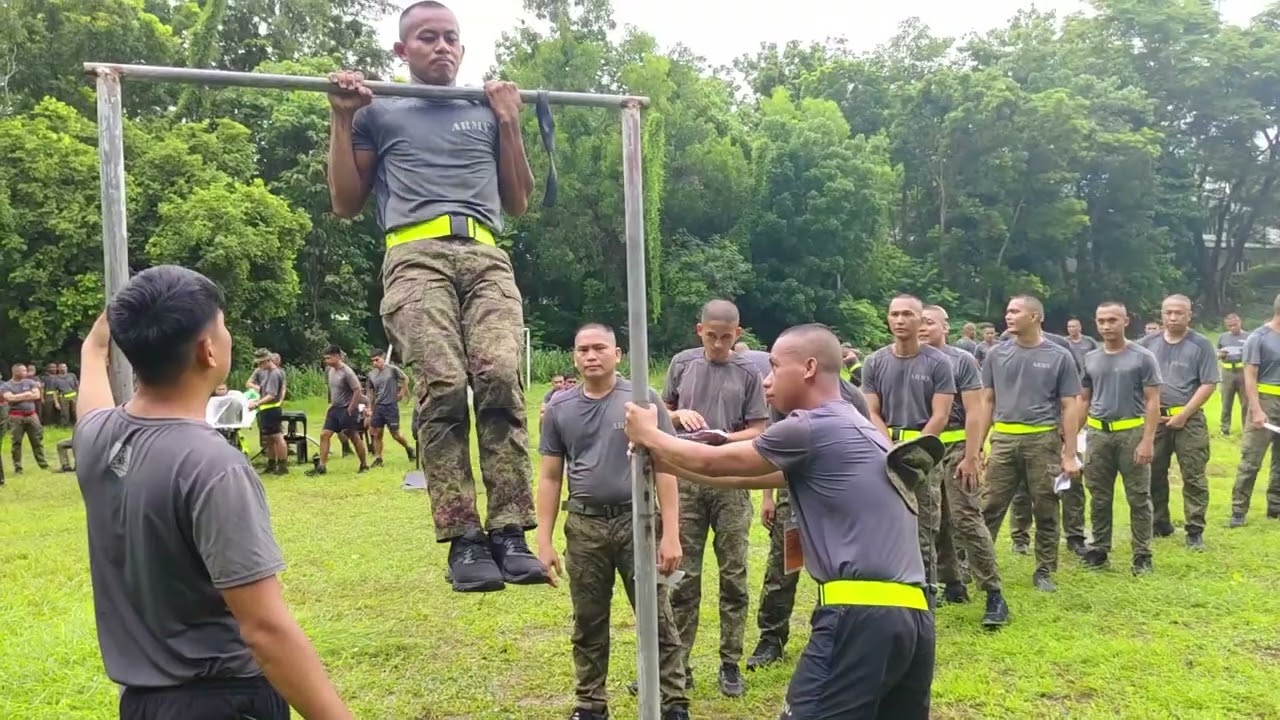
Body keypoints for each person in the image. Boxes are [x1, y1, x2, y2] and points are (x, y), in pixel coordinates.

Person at [327, 0, 546, 592]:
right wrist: (341, 119)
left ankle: (509, 530)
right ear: (402, 51)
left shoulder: (486, 106)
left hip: (485, 252)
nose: (442, 47)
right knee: (444, 384)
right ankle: (464, 539)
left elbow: (519, 202)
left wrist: (509, 121)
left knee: (500, 374)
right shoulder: (379, 108)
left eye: (451, 37)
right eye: (427, 38)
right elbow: (346, 203)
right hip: (414, 254)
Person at [72, 265, 352, 720]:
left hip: (142, 705)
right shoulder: (212, 465)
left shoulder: (97, 438)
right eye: (222, 326)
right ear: (207, 351)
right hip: (224, 701)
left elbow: (93, 380)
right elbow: (264, 630)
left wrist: (97, 342)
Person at [626, 323, 938, 720]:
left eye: (774, 367)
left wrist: (649, 434)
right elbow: (740, 476)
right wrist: (664, 459)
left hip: (859, 616)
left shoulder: (811, 426)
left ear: (808, 368)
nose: (766, 381)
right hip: (913, 616)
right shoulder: (856, 426)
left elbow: (714, 460)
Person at [535, 324, 689, 720]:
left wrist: (671, 534)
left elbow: (667, 470)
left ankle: (673, 701)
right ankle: (590, 703)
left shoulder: (641, 399)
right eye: (583, 349)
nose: (591, 356)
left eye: (599, 348)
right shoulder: (559, 409)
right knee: (588, 619)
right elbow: (551, 477)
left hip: (636, 522)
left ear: (618, 354)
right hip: (585, 526)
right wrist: (544, 540)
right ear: (574, 356)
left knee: (656, 617)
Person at [662, 299, 769, 697]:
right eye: (712, 336)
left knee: (734, 576)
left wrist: (724, 437)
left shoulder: (748, 372)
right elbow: (662, 411)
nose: (719, 344)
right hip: (687, 480)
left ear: (738, 334)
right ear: (699, 331)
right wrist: (677, 416)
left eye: (727, 337)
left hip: (731, 480)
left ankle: (730, 663)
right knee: (680, 577)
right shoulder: (682, 363)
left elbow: (759, 428)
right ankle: (678, 665)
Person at [748, 364, 871, 670]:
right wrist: (768, 498)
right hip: (792, 492)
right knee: (783, 567)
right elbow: (770, 453)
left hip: (834, 498)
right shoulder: (785, 396)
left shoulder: (852, 396)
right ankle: (771, 638)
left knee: (835, 568)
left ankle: (828, 634)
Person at [978, 296, 1083, 593]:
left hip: (1042, 439)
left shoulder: (1059, 355)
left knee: (1046, 506)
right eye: (1007, 310)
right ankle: (978, 565)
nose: (1007, 316)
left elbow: (1070, 406)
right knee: (990, 505)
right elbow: (987, 402)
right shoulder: (996, 354)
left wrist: (1070, 453)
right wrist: (977, 447)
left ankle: (1045, 570)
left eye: (1015, 311)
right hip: (1003, 440)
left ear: (1035, 316)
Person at [919, 305, 1008, 627]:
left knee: (966, 517)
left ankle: (993, 592)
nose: (922, 328)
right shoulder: (911, 360)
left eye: (929, 323)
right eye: (920, 322)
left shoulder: (962, 360)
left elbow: (975, 410)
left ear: (945, 326)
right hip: (923, 449)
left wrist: (972, 455)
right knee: (933, 521)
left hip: (957, 447)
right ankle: (951, 583)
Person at [861, 295, 956, 595]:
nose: (900, 320)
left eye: (907, 314)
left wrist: (915, 452)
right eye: (894, 314)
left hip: (923, 454)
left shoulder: (939, 362)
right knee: (883, 523)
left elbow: (940, 415)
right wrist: (889, 449)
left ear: (920, 320)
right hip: (884, 451)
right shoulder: (875, 362)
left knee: (925, 525)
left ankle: (926, 589)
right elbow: (871, 411)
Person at [1079, 302, 1162, 574]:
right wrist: (1070, 438)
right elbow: (1084, 399)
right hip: (1098, 434)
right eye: (1101, 320)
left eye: (1112, 320)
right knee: (1099, 495)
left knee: (1138, 497)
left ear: (1126, 321)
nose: (1106, 326)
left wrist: (1148, 440)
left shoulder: (1142, 357)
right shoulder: (1091, 358)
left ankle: (1142, 554)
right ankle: (1099, 548)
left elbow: (1152, 401)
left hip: (1131, 433)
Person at [1137, 295, 1219, 546]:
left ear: (1189, 315)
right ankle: (1159, 522)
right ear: (1161, 314)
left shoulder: (1201, 344)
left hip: (1189, 417)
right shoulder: (1146, 344)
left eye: (1179, 313)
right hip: (1155, 417)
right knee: (1153, 472)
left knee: (1193, 474)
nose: (1173, 318)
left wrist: (1184, 414)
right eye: (1168, 313)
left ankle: (1194, 530)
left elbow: (1209, 383)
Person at [1231, 294, 1280, 525]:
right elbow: (1249, 376)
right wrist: (1256, 409)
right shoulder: (1258, 338)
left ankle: (1276, 507)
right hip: (1265, 399)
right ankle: (1239, 511)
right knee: (1251, 459)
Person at [307, 345, 370, 476]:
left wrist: (351, 408)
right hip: (335, 408)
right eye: (325, 358)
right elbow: (333, 390)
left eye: (328, 358)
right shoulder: (330, 370)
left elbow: (358, 390)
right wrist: (331, 404)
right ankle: (322, 466)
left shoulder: (347, 372)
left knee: (353, 437)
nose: (326, 361)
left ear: (337, 357)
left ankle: (364, 464)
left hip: (346, 409)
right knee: (324, 434)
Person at [368, 349, 416, 466]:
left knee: (395, 435)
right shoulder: (372, 374)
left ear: (382, 359)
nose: (375, 363)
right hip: (378, 406)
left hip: (390, 406)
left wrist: (402, 392)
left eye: (377, 360)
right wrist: (370, 406)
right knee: (377, 434)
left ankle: (409, 448)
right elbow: (371, 391)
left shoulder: (392, 370)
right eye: (372, 361)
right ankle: (378, 458)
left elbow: (405, 379)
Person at [247, 348, 289, 475]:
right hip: (264, 409)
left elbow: (271, 395)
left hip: (272, 409)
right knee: (268, 438)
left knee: (277, 436)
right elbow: (250, 384)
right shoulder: (263, 371)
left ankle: (282, 466)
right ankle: (271, 464)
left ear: (268, 360)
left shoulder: (275, 373)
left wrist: (256, 403)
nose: (259, 366)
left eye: (261, 363)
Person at [2, 363, 48, 474]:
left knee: (37, 440)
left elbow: (36, 395)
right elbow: (9, 398)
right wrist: (27, 394)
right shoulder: (6, 385)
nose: (26, 373)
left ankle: (43, 465)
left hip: (32, 415)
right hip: (16, 417)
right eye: (23, 371)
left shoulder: (30, 382)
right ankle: (18, 468)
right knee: (16, 443)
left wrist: (17, 396)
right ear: (16, 372)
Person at [1218, 312, 1248, 436]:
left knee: (1246, 402)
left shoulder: (1249, 336)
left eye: (1234, 325)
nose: (1232, 328)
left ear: (1240, 322)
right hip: (1227, 373)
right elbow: (1217, 351)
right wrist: (1220, 354)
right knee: (1226, 402)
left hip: (1243, 372)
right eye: (1229, 326)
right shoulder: (1223, 337)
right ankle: (1224, 429)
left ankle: (1247, 429)